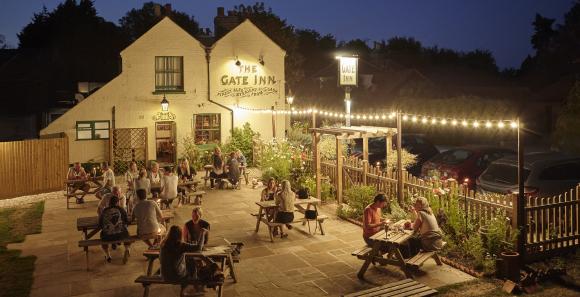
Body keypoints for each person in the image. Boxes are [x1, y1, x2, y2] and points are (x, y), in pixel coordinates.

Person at [160, 225, 221, 293]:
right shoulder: (180, 245)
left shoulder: (163, 245)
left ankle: (192, 287)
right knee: (193, 264)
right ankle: (196, 286)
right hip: (176, 276)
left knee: (189, 261)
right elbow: (198, 248)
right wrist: (202, 233)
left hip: (164, 276)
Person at [99, 195, 131, 263]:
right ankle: (127, 249)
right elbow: (126, 221)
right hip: (121, 235)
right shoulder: (121, 209)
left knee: (102, 234)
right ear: (117, 202)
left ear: (109, 203)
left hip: (107, 237)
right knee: (126, 232)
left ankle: (108, 255)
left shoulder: (105, 210)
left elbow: (100, 224)